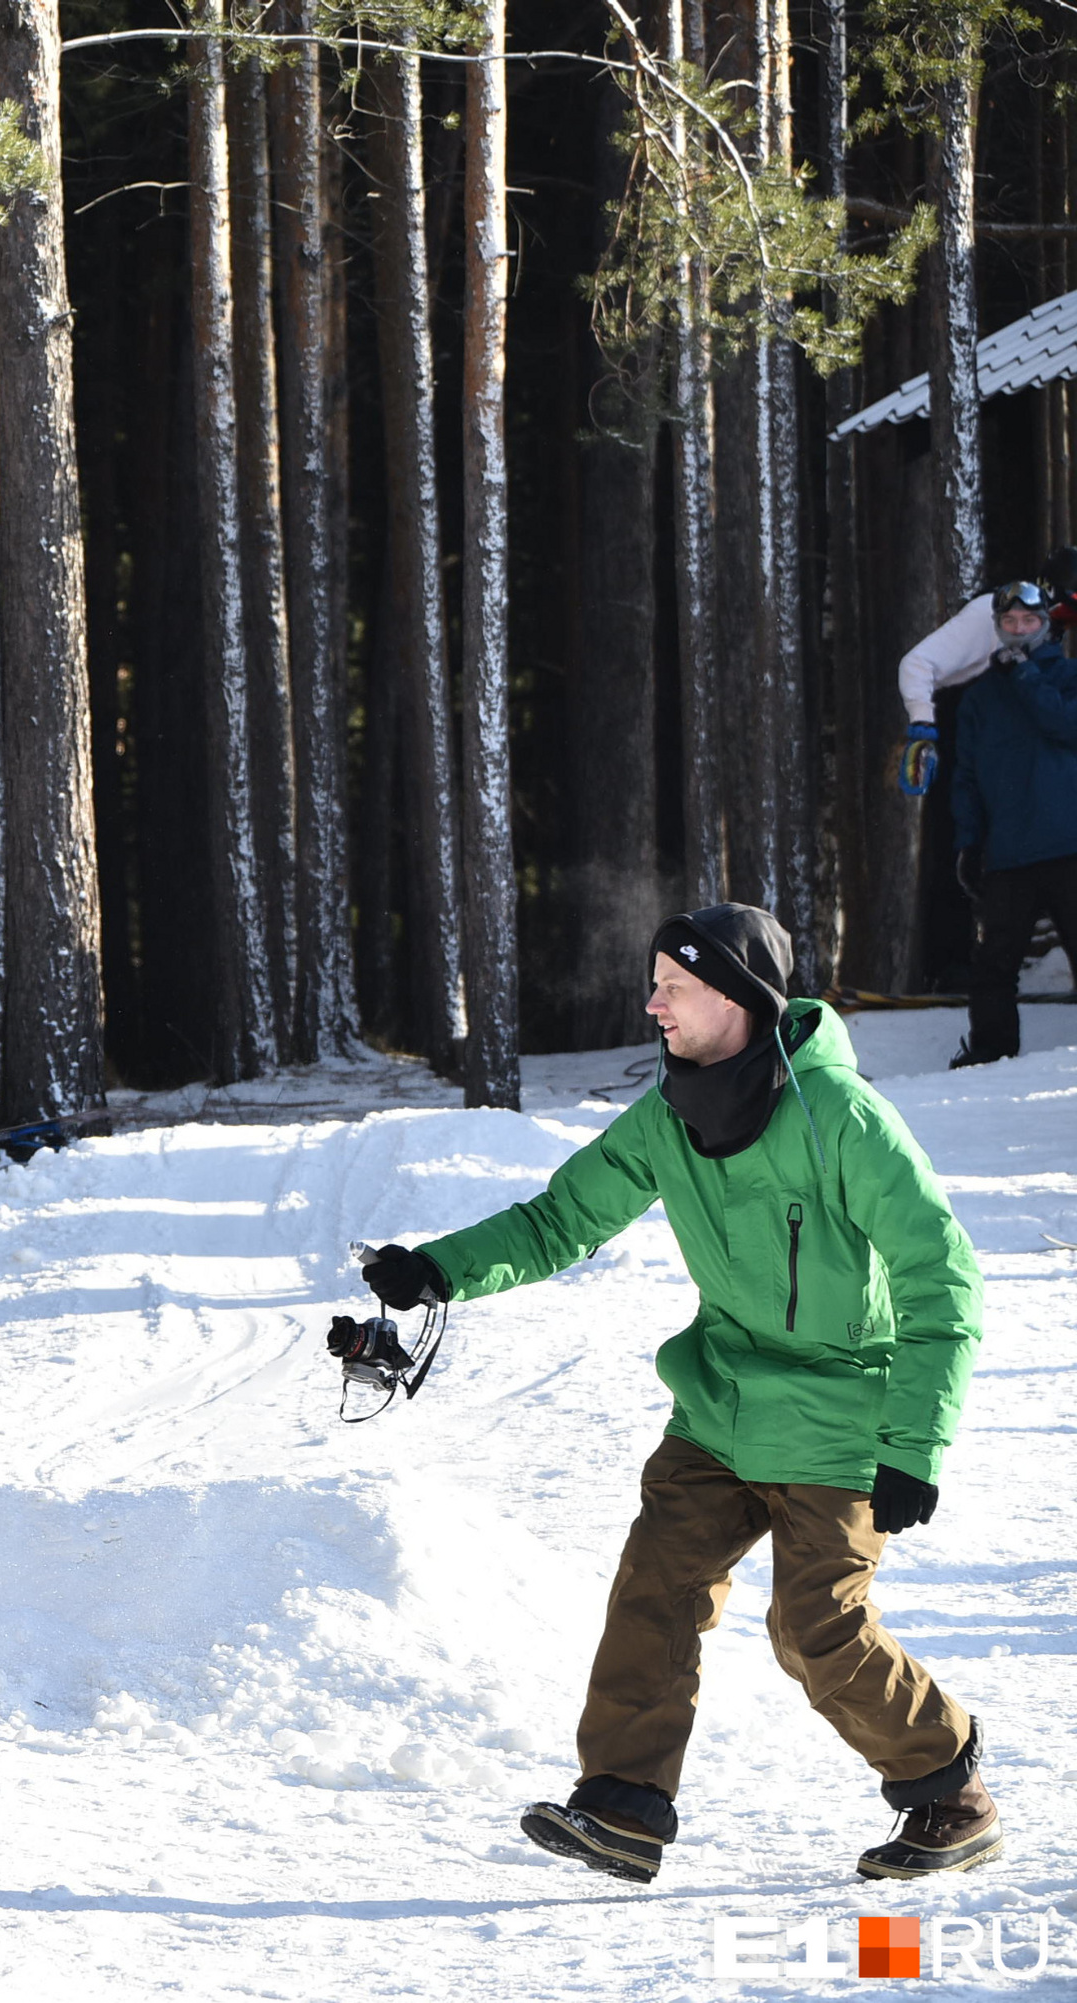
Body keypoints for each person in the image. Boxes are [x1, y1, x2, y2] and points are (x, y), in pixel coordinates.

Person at [357, 904, 996, 1885]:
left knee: (815, 1629)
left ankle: (950, 1788)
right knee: (653, 1592)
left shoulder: (845, 1119)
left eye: (674, 983)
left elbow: (939, 1274)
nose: (652, 1000)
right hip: (717, 1411)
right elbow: (561, 1216)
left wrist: (914, 1442)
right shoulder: (671, 1113)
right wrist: (438, 1268)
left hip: (836, 1421)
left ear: (737, 997)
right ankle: (621, 1805)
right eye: (654, 979)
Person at [947, 585, 1077, 1068]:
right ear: (998, 628)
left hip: (1070, 845)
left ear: (1047, 624)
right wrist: (968, 843)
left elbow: (1066, 725)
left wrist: (1026, 676)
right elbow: (967, 776)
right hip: (1010, 853)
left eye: (1029, 620)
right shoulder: (981, 696)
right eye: (1011, 622)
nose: (1020, 630)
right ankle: (990, 1052)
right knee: (994, 964)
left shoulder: (1068, 677)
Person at [894, 554, 1077, 795]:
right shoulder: (991, 614)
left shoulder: (1046, 637)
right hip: (960, 751)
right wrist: (922, 728)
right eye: (1069, 611)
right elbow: (918, 663)